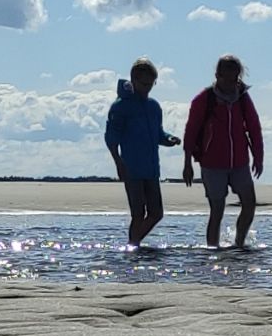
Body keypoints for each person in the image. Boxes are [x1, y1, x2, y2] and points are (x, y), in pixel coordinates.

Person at [182, 55, 263, 249]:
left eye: (234, 79)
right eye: (225, 78)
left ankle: (239, 244)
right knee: (217, 210)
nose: (230, 84)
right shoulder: (204, 99)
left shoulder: (242, 98)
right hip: (212, 164)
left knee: (249, 204)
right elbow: (191, 132)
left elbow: (254, 127)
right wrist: (187, 163)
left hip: (240, 162)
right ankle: (213, 249)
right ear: (217, 76)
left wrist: (258, 157)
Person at [104, 57, 181, 246]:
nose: (147, 88)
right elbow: (111, 138)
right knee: (138, 213)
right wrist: (118, 162)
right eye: (144, 84)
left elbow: (158, 134)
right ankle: (133, 246)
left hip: (151, 169)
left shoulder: (154, 106)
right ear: (134, 80)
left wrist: (169, 139)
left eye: (151, 84)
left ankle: (133, 244)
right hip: (131, 168)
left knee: (157, 213)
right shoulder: (121, 106)